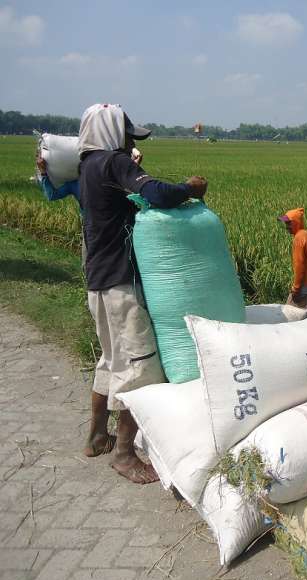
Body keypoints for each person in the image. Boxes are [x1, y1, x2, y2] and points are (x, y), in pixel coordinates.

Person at [78, 103, 207, 484]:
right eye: (126, 136)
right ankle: (123, 454)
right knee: (141, 367)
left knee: (111, 360)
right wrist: (189, 188)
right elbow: (157, 193)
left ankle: (96, 437)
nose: (129, 144)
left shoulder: (88, 166)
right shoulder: (114, 162)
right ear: (111, 134)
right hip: (120, 282)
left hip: (98, 281)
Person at [278, 207, 307, 316]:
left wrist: (296, 289)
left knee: (290, 315)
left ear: (296, 222)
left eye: (289, 223)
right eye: (286, 223)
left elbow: (300, 266)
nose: (286, 227)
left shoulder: (299, 238)